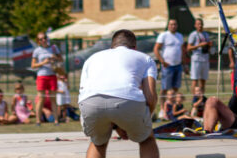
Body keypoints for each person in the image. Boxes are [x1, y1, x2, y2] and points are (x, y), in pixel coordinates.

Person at [79, 29, 160, 158]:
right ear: (134, 47)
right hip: (127, 100)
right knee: (146, 140)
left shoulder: (91, 58)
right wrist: (141, 121)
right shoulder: (145, 58)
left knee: (98, 142)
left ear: (112, 46)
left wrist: (117, 123)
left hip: (89, 101)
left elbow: (85, 92)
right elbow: (150, 97)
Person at [153, 19, 184, 101]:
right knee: (164, 88)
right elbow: (156, 49)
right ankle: (163, 108)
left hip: (178, 65)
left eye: (175, 24)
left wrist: (184, 63)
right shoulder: (163, 35)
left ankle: (172, 106)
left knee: (175, 88)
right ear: (168, 26)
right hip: (167, 66)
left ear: (177, 26)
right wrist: (162, 61)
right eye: (171, 24)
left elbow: (182, 50)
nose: (173, 26)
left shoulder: (180, 36)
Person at [186, 18, 212, 99]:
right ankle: (195, 98)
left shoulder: (206, 34)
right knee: (195, 79)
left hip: (205, 58)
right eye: (198, 24)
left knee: (203, 80)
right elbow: (188, 47)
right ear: (195, 25)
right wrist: (199, 45)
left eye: (201, 24)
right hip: (196, 59)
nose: (200, 25)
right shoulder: (193, 34)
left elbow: (208, 45)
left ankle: (201, 98)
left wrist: (209, 45)